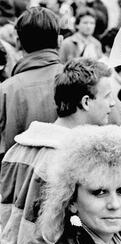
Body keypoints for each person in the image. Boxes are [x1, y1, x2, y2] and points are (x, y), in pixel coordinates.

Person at [0, 58, 117, 244]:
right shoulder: (68, 159)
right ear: (86, 102)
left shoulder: (18, 148)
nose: (113, 104)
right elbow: (51, 235)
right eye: (107, 96)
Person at [0, 7, 63, 164]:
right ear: (59, 41)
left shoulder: (6, 90)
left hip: (18, 185)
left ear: (17, 43)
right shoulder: (83, 80)